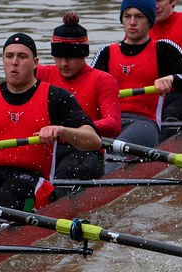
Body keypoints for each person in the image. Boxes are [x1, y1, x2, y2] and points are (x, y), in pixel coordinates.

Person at [0, 32, 101, 210]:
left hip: (31, 178)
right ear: (3, 60)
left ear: (35, 63)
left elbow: (94, 140)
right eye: (9, 56)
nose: (14, 62)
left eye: (22, 56)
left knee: (5, 199)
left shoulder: (56, 97)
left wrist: (61, 131)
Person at [92, 0, 182, 170]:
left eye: (139, 17)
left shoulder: (163, 48)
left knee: (114, 150)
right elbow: (85, 88)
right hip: (110, 121)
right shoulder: (106, 52)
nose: (132, 22)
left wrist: (172, 79)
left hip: (144, 123)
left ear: (150, 21)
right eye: (127, 16)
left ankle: (98, 191)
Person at [35, 12, 121, 181]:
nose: (64, 63)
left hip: (85, 150)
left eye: (71, 57)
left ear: (83, 54)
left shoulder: (103, 80)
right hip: (47, 148)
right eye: (59, 57)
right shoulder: (40, 74)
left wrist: (71, 132)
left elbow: (113, 124)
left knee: (64, 176)